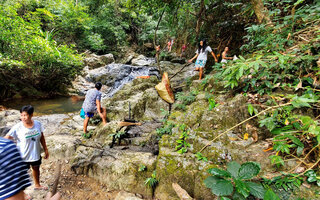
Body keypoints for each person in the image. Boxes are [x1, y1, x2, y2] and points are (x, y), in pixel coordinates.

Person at [5, 105, 49, 191]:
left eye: (25, 115)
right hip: (23, 156)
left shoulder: (38, 124)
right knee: (21, 174)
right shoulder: (18, 127)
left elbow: (42, 137)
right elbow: (6, 138)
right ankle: (21, 192)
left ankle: (37, 185)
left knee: (36, 168)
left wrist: (45, 149)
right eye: (21, 115)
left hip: (35, 153)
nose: (23, 117)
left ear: (31, 115)